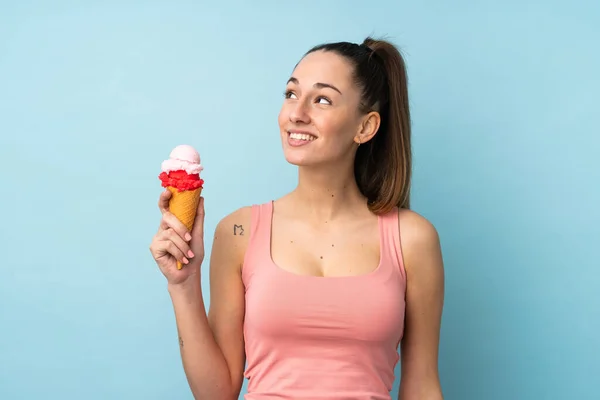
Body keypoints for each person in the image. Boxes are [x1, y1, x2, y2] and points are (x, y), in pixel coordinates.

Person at [149, 36, 445, 400]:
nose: (296, 113)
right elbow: (216, 393)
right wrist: (183, 285)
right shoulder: (239, 232)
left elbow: (421, 386)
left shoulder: (412, 239)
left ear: (365, 127)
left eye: (322, 99)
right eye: (291, 94)